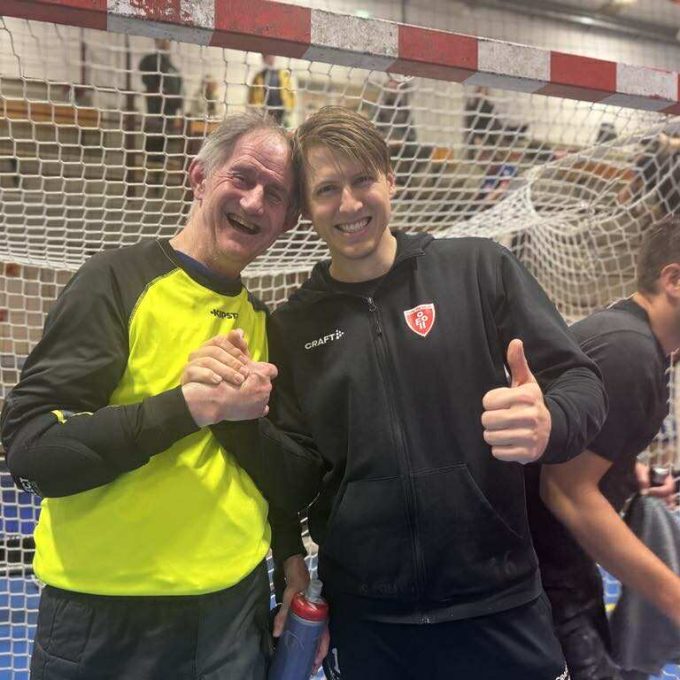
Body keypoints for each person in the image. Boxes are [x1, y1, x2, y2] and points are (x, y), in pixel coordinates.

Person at [184, 105, 608, 679]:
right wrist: (237, 422)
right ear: (306, 208)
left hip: (500, 604)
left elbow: (581, 380)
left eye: (362, 180)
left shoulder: (478, 269)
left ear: (390, 178)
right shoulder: (294, 326)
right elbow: (295, 479)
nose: (349, 204)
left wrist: (550, 422)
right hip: (370, 623)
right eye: (327, 189)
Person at [0, 112, 308, 680]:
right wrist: (186, 407)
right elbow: (31, 452)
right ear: (199, 177)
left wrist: (290, 550)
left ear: (287, 222)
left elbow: (282, 476)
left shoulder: (266, 322)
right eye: (242, 177)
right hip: (104, 619)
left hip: (233, 613)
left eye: (276, 194)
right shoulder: (114, 282)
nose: (254, 201)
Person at [526, 217, 680, 680]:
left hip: (552, 567)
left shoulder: (630, 338)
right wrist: (673, 596)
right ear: (674, 280)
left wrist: (635, 477)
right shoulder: (629, 352)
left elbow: (576, 448)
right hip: (540, 577)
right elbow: (565, 491)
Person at [139, 38, 184, 161]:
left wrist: (177, 102)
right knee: (154, 148)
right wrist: (159, 90)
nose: (165, 43)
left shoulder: (172, 67)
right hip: (156, 112)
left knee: (164, 148)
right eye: (162, 40)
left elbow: (178, 88)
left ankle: (159, 166)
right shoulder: (152, 61)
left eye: (167, 40)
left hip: (170, 114)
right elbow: (146, 76)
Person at [247, 54, 295, 127]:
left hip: (281, 108)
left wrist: (290, 106)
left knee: (282, 126)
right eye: (268, 57)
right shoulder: (259, 76)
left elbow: (290, 93)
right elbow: (253, 94)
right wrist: (255, 108)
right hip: (265, 110)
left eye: (272, 56)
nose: (270, 59)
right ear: (263, 58)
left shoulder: (283, 74)